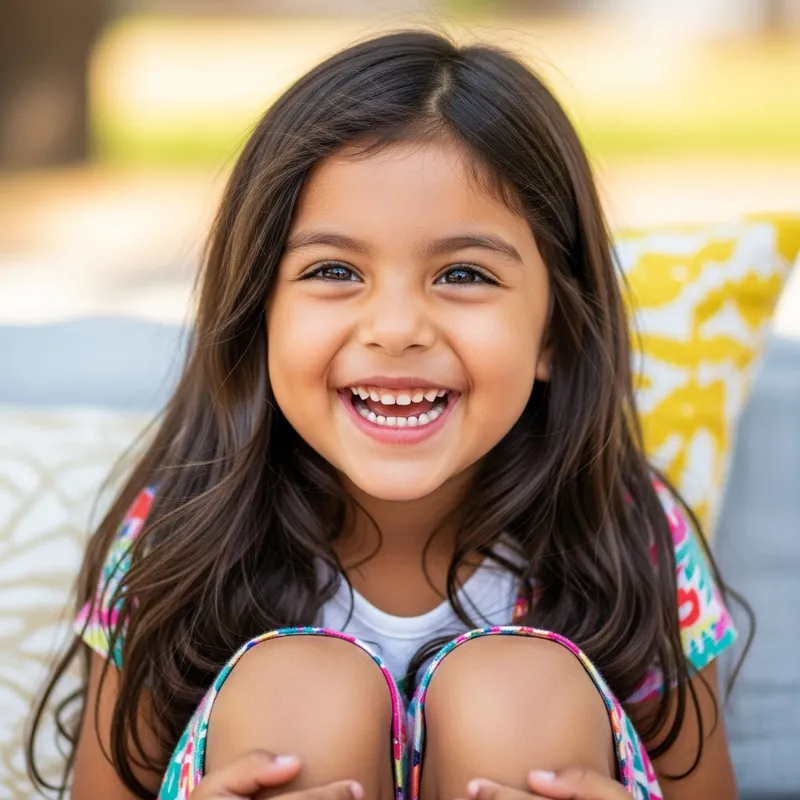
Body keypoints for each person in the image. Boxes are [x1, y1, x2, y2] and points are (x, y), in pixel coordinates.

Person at [27, 28, 748, 800]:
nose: (397, 327)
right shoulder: (179, 535)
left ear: (556, 333)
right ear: (258, 314)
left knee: (517, 693)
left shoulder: (629, 533)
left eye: (463, 274)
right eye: (334, 270)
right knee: (301, 692)